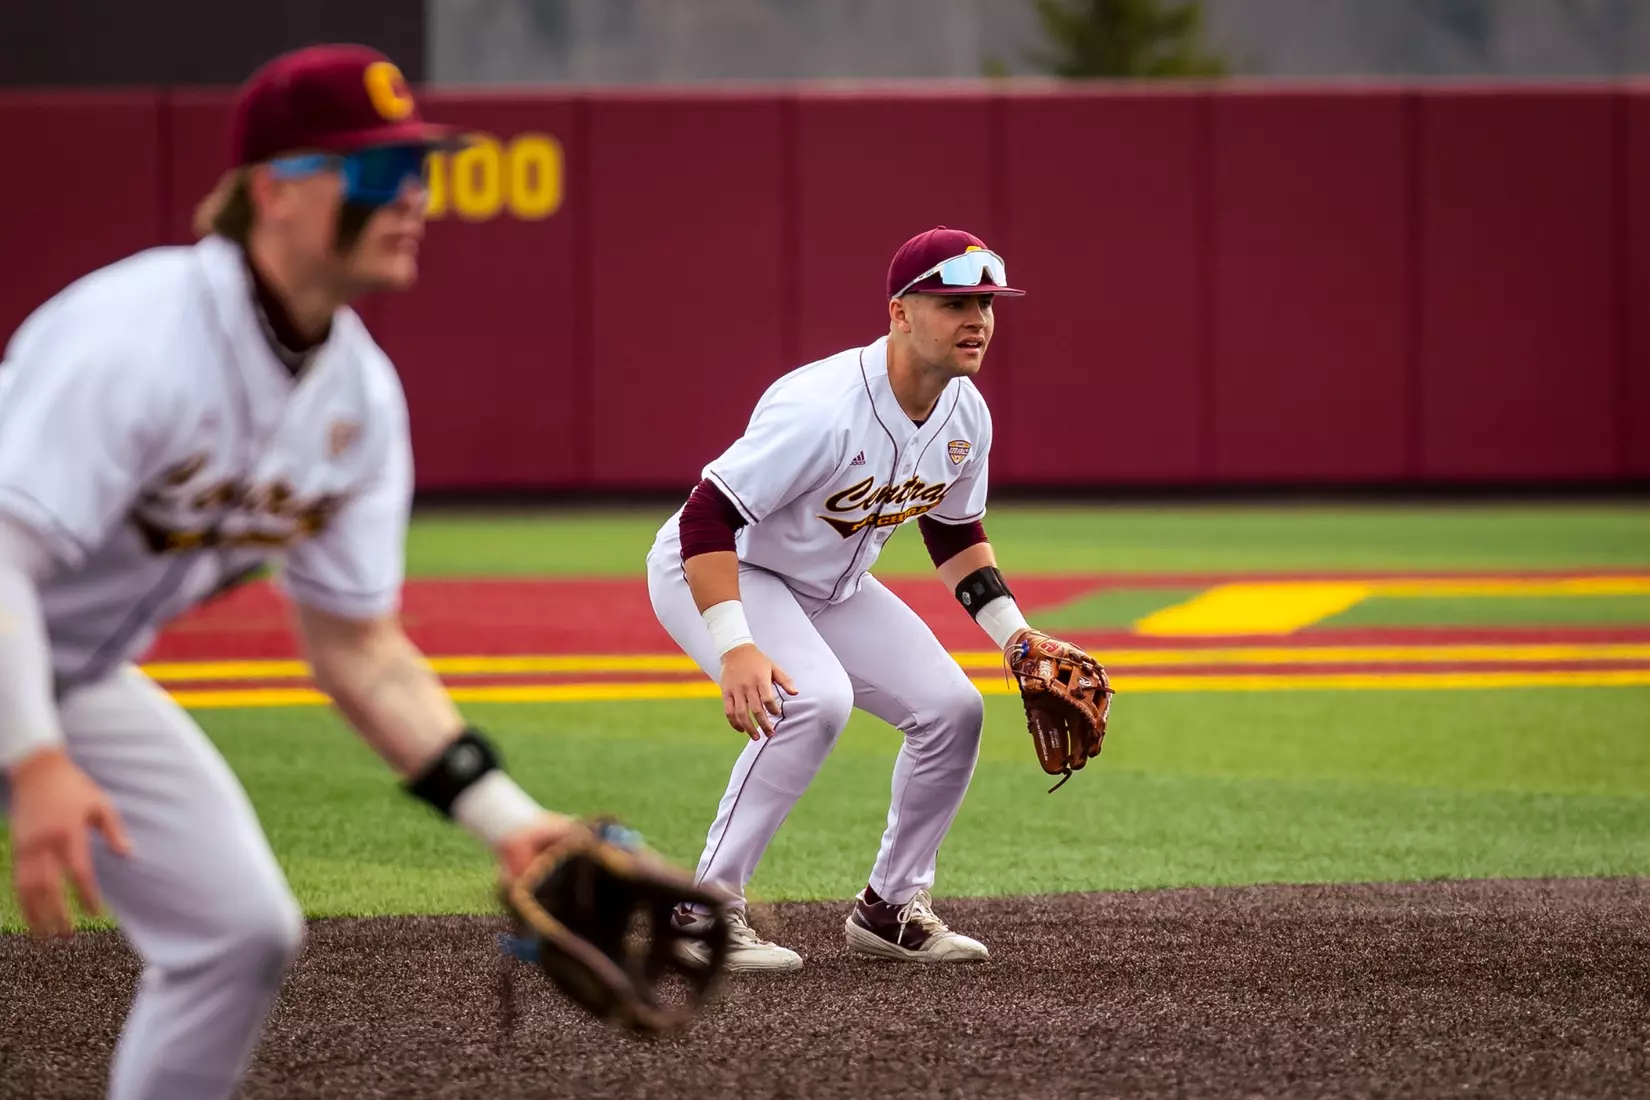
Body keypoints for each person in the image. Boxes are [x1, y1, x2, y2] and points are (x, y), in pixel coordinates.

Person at [0, 45, 574, 1100]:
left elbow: (357, 647)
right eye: (377, 171)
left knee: (238, 930)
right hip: (21, 652)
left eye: (419, 171)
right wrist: (32, 759)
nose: (413, 198)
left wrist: (505, 815)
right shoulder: (134, 332)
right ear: (274, 189)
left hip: (67, 672)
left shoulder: (359, 395)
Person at [646, 226, 1046, 969]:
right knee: (814, 700)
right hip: (726, 566)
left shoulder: (966, 413)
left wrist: (1014, 636)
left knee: (953, 710)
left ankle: (890, 908)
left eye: (987, 304)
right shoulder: (823, 407)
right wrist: (737, 647)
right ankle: (701, 915)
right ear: (900, 312)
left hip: (830, 584)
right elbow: (707, 516)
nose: (978, 320)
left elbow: (953, 531)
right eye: (955, 303)